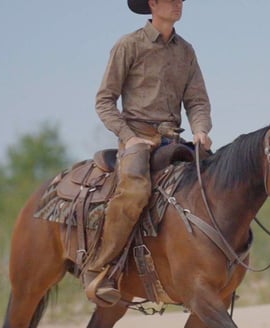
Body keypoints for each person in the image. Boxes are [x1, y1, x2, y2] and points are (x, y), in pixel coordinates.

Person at [85, 0, 212, 305]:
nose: (178, 4)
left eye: (181, 0)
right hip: (136, 138)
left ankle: (216, 268)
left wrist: (200, 129)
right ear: (153, 3)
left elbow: (197, 101)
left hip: (174, 139)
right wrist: (128, 138)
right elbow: (104, 100)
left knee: (215, 181)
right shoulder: (128, 45)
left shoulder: (186, 51)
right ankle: (101, 269)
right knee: (135, 192)